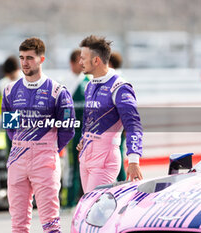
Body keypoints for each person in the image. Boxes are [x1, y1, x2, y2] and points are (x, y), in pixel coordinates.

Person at [2, 37, 75, 233]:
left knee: (50, 222)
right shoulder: (10, 91)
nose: (25, 62)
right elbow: (10, 128)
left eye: (30, 58)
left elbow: (67, 129)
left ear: (41, 59)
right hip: (18, 158)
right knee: (18, 224)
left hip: (46, 159)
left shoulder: (57, 91)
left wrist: (48, 147)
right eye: (22, 58)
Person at [76, 35, 143, 193]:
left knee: (92, 209)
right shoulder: (90, 86)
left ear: (96, 61)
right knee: (90, 211)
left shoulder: (120, 87)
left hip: (105, 159)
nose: (80, 62)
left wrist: (134, 161)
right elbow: (90, 118)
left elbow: (133, 125)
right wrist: (83, 138)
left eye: (83, 58)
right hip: (86, 156)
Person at [65, 49, 89, 208]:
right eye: (78, 61)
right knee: (71, 166)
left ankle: (85, 199)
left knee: (88, 166)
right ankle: (69, 200)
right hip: (72, 132)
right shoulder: (65, 82)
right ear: (72, 63)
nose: (81, 65)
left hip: (88, 132)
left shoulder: (89, 81)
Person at [108, 52, 127, 182]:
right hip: (120, 125)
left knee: (117, 155)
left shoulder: (115, 80)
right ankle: (122, 182)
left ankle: (122, 183)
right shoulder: (121, 78)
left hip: (116, 126)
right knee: (118, 155)